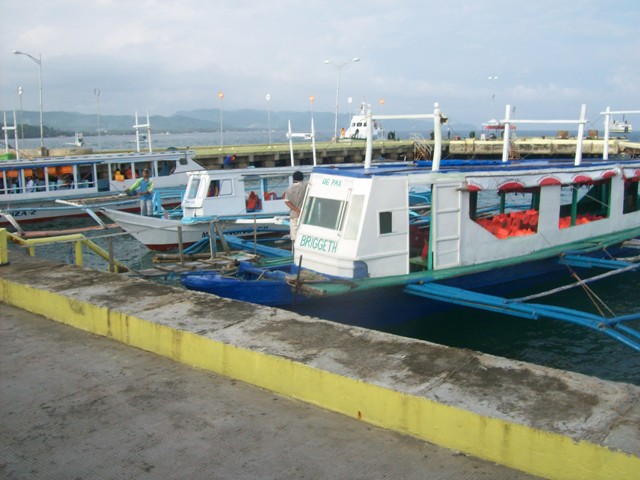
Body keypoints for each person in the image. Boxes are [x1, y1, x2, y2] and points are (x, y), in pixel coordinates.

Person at [284, 171, 308, 241]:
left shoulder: (289, 188)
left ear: (293, 179)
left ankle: (295, 250)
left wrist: (296, 209)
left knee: (294, 236)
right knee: (303, 234)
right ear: (302, 178)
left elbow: (287, 202)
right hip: (304, 214)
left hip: (294, 215)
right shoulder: (305, 185)